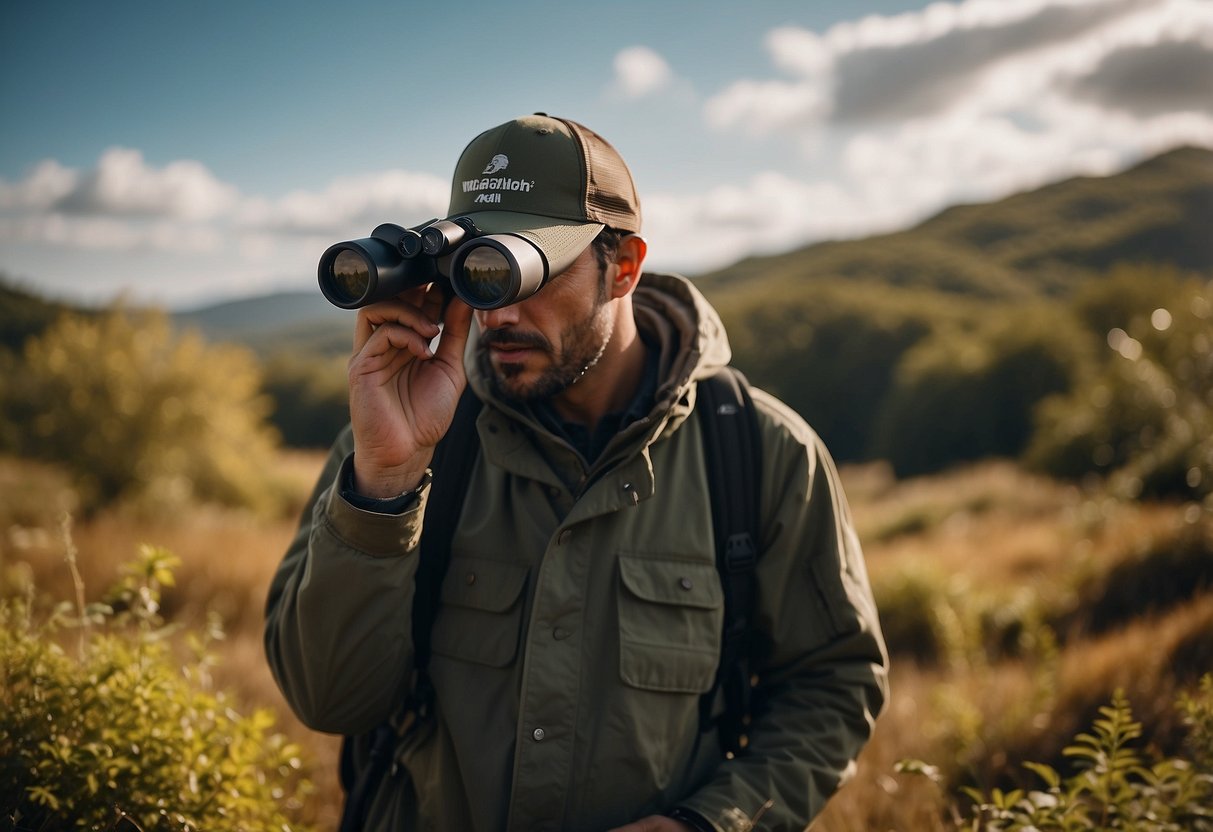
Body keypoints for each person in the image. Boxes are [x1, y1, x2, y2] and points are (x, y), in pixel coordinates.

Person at [264, 113, 888, 832]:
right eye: (476, 271)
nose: (496, 312)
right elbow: (328, 702)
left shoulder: (761, 453)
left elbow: (833, 684)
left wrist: (713, 823)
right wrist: (384, 480)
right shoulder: (400, 445)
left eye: (522, 269)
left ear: (621, 266)